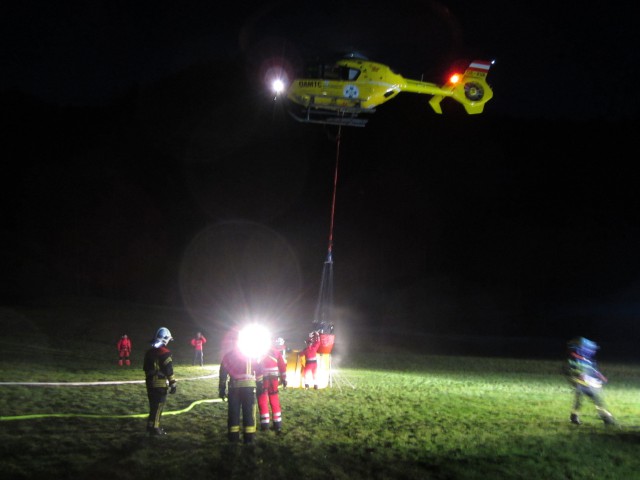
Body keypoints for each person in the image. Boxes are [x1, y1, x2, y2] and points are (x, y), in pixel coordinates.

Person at [565, 336, 616, 426]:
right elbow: (571, 370)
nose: (592, 351)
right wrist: (577, 376)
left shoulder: (588, 360)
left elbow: (594, 371)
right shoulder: (575, 359)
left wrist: (601, 376)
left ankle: (574, 417)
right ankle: (607, 419)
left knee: (580, 401)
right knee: (591, 400)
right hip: (581, 384)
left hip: (587, 384)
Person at [218, 342, 259, 444]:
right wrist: (260, 385)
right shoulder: (251, 354)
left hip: (234, 388)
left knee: (233, 413)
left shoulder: (228, 356)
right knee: (248, 413)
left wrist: (222, 389)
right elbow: (259, 369)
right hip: (249, 389)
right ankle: (249, 439)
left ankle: (233, 438)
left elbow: (223, 373)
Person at [143, 327, 177, 436]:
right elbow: (169, 370)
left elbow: (145, 368)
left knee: (153, 406)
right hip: (160, 384)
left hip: (149, 383)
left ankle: (150, 425)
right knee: (158, 407)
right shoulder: (165, 353)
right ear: (165, 338)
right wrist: (173, 383)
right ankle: (155, 428)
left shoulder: (149, 353)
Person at [256, 337, 288, 432]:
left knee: (262, 400)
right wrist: (284, 379)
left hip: (262, 380)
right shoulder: (276, 352)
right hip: (274, 380)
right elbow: (282, 367)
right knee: (274, 400)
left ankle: (265, 425)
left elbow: (255, 366)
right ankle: (277, 425)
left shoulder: (259, 352)